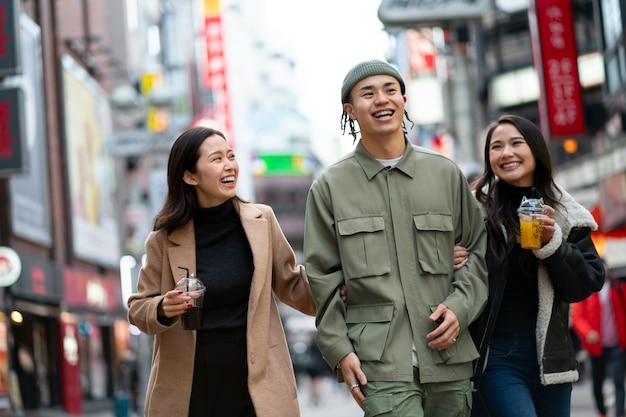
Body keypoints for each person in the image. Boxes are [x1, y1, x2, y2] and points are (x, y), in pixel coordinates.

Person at [303, 59, 489, 416]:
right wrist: (339, 350)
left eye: (390, 90)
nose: (381, 100)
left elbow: (478, 253)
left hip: (448, 354)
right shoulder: (330, 188)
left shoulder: (444, 173)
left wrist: (461, 309)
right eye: (367, 94)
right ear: (350, 110)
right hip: (378, 362)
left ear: (403, 100)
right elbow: (322, 280)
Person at [127, 126, 315, 417]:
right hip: (191, 383)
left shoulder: (261, 220)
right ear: (190, 176)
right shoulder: (163, 240)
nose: (229, 165)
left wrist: (337, 282)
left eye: (231, 156)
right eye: (216, 159)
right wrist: (163, 307)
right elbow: (138, 309)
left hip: (256, 375)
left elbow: (292, 285)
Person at [454, 113, 605, 417]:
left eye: (516, 143)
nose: (506, 153)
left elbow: (586, 282)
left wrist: (553, 245)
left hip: (551, 357)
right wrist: (451, 261)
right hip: (496, 355)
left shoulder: (565, 212)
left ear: (535, 149)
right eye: (496, 147)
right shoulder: (474, 212)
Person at [571, 261, 626, 417]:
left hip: (617, 343)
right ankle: (602, 412)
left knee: (618, 380)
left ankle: (620, 412)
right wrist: (588, 333)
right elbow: (577, 317)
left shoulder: (619, 288)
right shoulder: (587, 290)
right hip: (595, 346)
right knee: (597, 383)